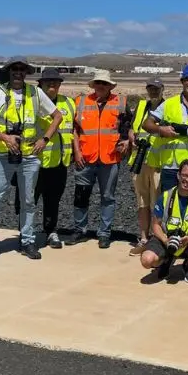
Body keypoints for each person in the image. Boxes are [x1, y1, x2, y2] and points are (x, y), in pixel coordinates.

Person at [0, 57, 62, 262]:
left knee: (28, 201)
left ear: (26, 73)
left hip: (29, 156)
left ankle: (27, 240)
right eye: (14, 69)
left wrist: (44, 139)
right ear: (8, 72)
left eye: (22, 70)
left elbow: (57, 116)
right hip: (2, 154)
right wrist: (5, 137)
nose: (18, 73)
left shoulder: (35, 93)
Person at [69, 69, 131, 249]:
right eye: (98, 83)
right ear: (93, 84)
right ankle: (80, 230)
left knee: (108, 197)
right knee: (81, 195)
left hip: (110, 158)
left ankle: (104, 233)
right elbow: (74, 130)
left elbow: (128, 126)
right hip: (85, 157)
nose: (101, 86)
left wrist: (126, 140)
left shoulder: (120, 102)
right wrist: (77, 152)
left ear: (110, 86)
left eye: (104, 84)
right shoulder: (81, 102)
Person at [143, 64, 188, 193]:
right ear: (182, 82)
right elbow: (147, 124)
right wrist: (161, 130)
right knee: (168, 206)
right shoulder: (169, 104)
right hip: (172, 167)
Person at [140, 159, 188, 283]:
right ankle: (165, 260)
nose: (187, 180)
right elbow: (155, 225)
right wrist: (165, 240)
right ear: (178, 175)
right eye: (184, 175)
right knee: (146, 260)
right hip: (166, 238)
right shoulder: (165, 196)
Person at [33, 68, 74, 251]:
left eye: (56, 82)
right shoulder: (31, 103)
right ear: (40, 83)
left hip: (58, 162)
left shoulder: (69, 103)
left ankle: (51, 231)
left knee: (53, 200)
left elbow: (75, 131)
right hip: (34, 162)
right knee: (28, 200)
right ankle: (25, 234)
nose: (52, 84)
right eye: (48, 81)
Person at [128, 77, 166, 255]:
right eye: (151, 88)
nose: (153, 92)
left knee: (156, 203)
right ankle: (143, 238)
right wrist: (131, 138)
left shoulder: (167, 108)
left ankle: (157, 240)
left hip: (158, 162)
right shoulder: (141, 107)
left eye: (156, 89)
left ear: (162, 89)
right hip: (139, 161)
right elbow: (132, 128)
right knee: (142, 202)